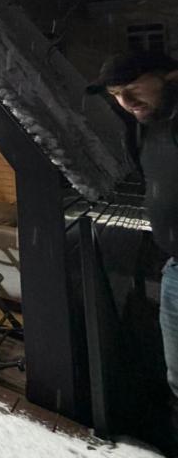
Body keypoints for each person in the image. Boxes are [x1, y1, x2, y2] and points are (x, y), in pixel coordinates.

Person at [88, 50, 178, 422]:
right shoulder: (143, 127)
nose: (126, 103)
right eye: (116, 96)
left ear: (171, 78)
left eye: (132, 90)